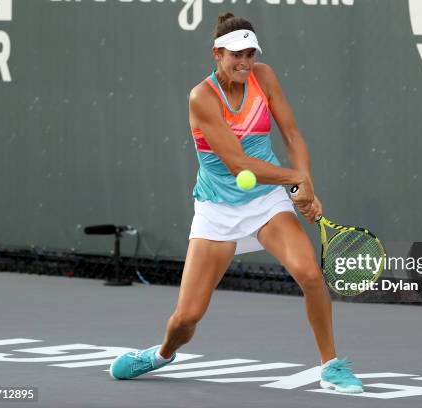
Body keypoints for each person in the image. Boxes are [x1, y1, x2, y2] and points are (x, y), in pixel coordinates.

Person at [109, 12, 363, 394]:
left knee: (310, 274)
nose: (244, 62)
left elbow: (292, 136)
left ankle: (331, 366)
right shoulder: (201, 97)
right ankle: (160, 355)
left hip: (265, 202)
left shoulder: (264, 77)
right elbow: (238, 164)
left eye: (250, 54)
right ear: (217, 54)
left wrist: (306, 186)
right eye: (235, 55)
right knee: (187, 318)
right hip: (217, 211)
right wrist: (295, 179)